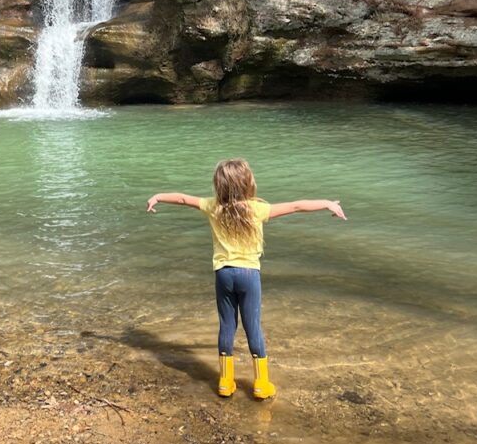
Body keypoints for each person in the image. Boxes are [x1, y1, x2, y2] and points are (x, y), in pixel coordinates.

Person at [146, 158, 346, 400]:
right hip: (249, 275)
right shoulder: (257, 209)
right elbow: (296, 206)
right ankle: (261, 384)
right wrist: (327, 204)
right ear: (248, 182)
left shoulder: (212, 206)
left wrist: (157, 196)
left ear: (219, 185)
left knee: (227, 326)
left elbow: (182, 198)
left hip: (223, 274)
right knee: (253, 328)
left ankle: (225, 382)